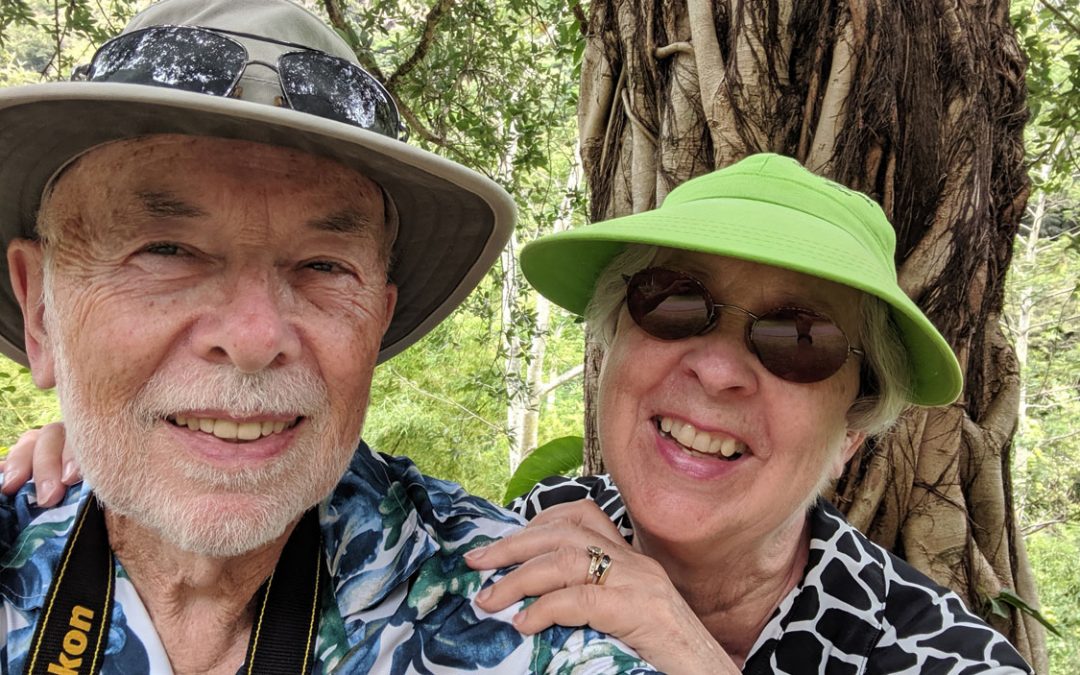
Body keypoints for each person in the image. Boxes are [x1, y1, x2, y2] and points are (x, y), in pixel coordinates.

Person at [0, 0, 659, 673]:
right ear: (42, 311)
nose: (255, 338)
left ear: (376, 320)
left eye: (323, 266)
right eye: (166, 250)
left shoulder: (512, 612)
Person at [459, 154, 1035, 673]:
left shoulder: (941, 658)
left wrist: (689, 652)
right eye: (672, 299)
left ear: (850, 436)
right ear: (610, 348)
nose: (716, 371)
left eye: (800, 338)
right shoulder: (543, 526)